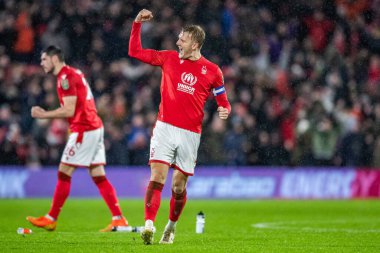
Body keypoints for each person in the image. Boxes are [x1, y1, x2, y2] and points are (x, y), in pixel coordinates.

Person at [129, 9, 231, 245]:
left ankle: (171, 227)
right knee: (157, 175)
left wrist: (225, 109)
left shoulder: (213, 71)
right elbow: (134, 51)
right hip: (164, 127)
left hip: (190, 134)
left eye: (182, 40)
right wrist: (136, 24)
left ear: (195, 44)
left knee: (178, 185)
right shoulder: (168, 58)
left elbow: (222, 98)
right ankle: (148, 226)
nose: (177, 42)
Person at [26, 45, 129, 232]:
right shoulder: (74, 73)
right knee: (98, 175)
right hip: (94, 126)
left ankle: (51, 218)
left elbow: (69, 110)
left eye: (44, 60)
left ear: (54, 59)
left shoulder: (65, 77)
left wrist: (43, 114)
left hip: (84, 129)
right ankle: (118, 218)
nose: (41, 63)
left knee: (64, 171)